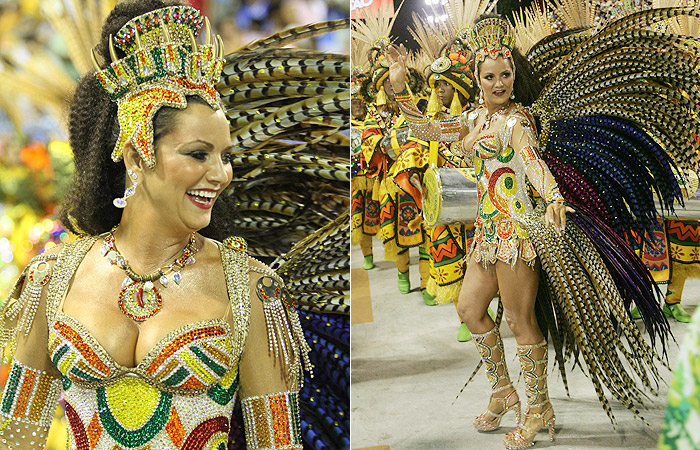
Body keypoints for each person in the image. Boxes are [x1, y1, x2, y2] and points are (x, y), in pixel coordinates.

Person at [0, 1, 309, 448]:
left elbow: (277, 443)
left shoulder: (252, 290)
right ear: (135, 156)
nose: (221, 174)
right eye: (199, 154)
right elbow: (18, 434)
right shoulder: (53, 277)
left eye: (226, 156)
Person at [387, 13, 673, 449]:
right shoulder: (473, 118)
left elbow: (532, 162)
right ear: (477, 78)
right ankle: (504, 390)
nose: (499, 83)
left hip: (517, 232)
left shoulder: (516, 123)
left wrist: (554, 195)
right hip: (487, 234)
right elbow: (425, 129)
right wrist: (400, 83)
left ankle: (539, 408)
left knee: (521, 322)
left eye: (505, 75)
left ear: (514, 75)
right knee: (469, 308)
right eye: (489, 76)